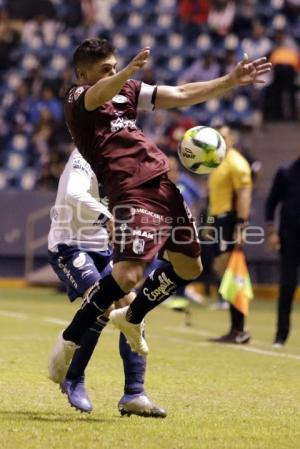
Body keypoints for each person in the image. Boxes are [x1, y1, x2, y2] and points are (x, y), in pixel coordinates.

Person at [48, 37, 271, 385]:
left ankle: (132, 316)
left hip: (162, 183)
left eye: (114, 65)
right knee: (128, 276)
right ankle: (70, 340)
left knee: (189, 265)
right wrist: (125, 72)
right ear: (82, 74)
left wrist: (229, 81)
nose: (113, 72)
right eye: (104, 69)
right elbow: (100, 93)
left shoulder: (129, 90)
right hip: (129, 190)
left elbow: (181, 94)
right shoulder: (78, 99)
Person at [47, 148, 166, 417]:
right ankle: (73, 378)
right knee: (103, 306)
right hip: (69, 245)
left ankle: (135, 393)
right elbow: (73, 194)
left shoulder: (127, 155)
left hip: (103, 248)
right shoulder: (84, 154)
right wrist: (108, 218)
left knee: (132, 307)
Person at [206, 126, 253, 343]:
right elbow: (214, 197)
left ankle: (240, 329)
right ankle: (236, 328)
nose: (221, 140)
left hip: (230, 220)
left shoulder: (236, 162)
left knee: (233, 273)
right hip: (218, 220)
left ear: (232, 138)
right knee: (223, 271)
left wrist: (241, 226)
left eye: (224, 136)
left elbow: (244, 194)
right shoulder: (217, 162)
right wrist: (209, 223)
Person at [265, 155, 300, 347]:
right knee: (287, 286)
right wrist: (271, 231)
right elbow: (271, 203)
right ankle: (280, 336)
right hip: (289, 238)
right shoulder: (285, 172)